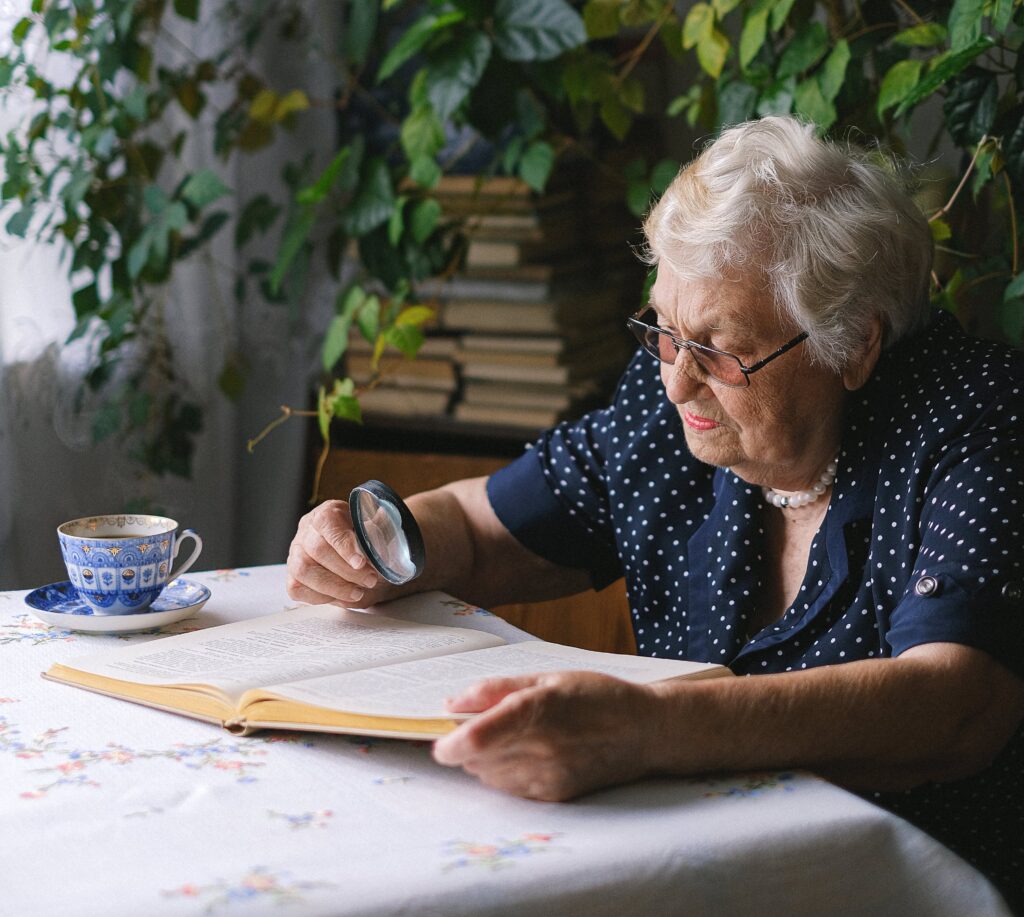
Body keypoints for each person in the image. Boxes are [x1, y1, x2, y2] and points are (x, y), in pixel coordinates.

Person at [287, 116, 1024, 909]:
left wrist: (650, 729)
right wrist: (370, 540)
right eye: (664, 332)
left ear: (852, 346)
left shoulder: (977, 419)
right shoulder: (668, 404)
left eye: (719, 350)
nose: (678, 382)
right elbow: (477, 526)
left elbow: (955, 704)